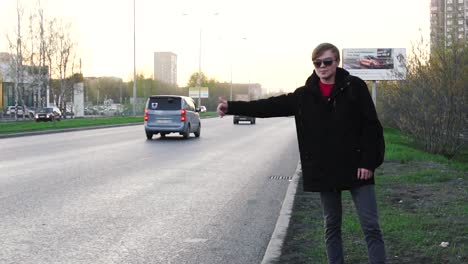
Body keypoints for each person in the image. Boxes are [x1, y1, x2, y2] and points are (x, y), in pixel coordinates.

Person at [217, 43, 386, 264]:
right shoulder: (305, 95)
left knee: (370, 226)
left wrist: (368, 163)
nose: (322, 67)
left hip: (358, 168)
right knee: (332, 226)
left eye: (327, 62)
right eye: (318, 63)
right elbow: (269, 107)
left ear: (337, 62)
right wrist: (231, 107)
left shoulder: (354, 87)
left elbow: (371, 127)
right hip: (326, 170)